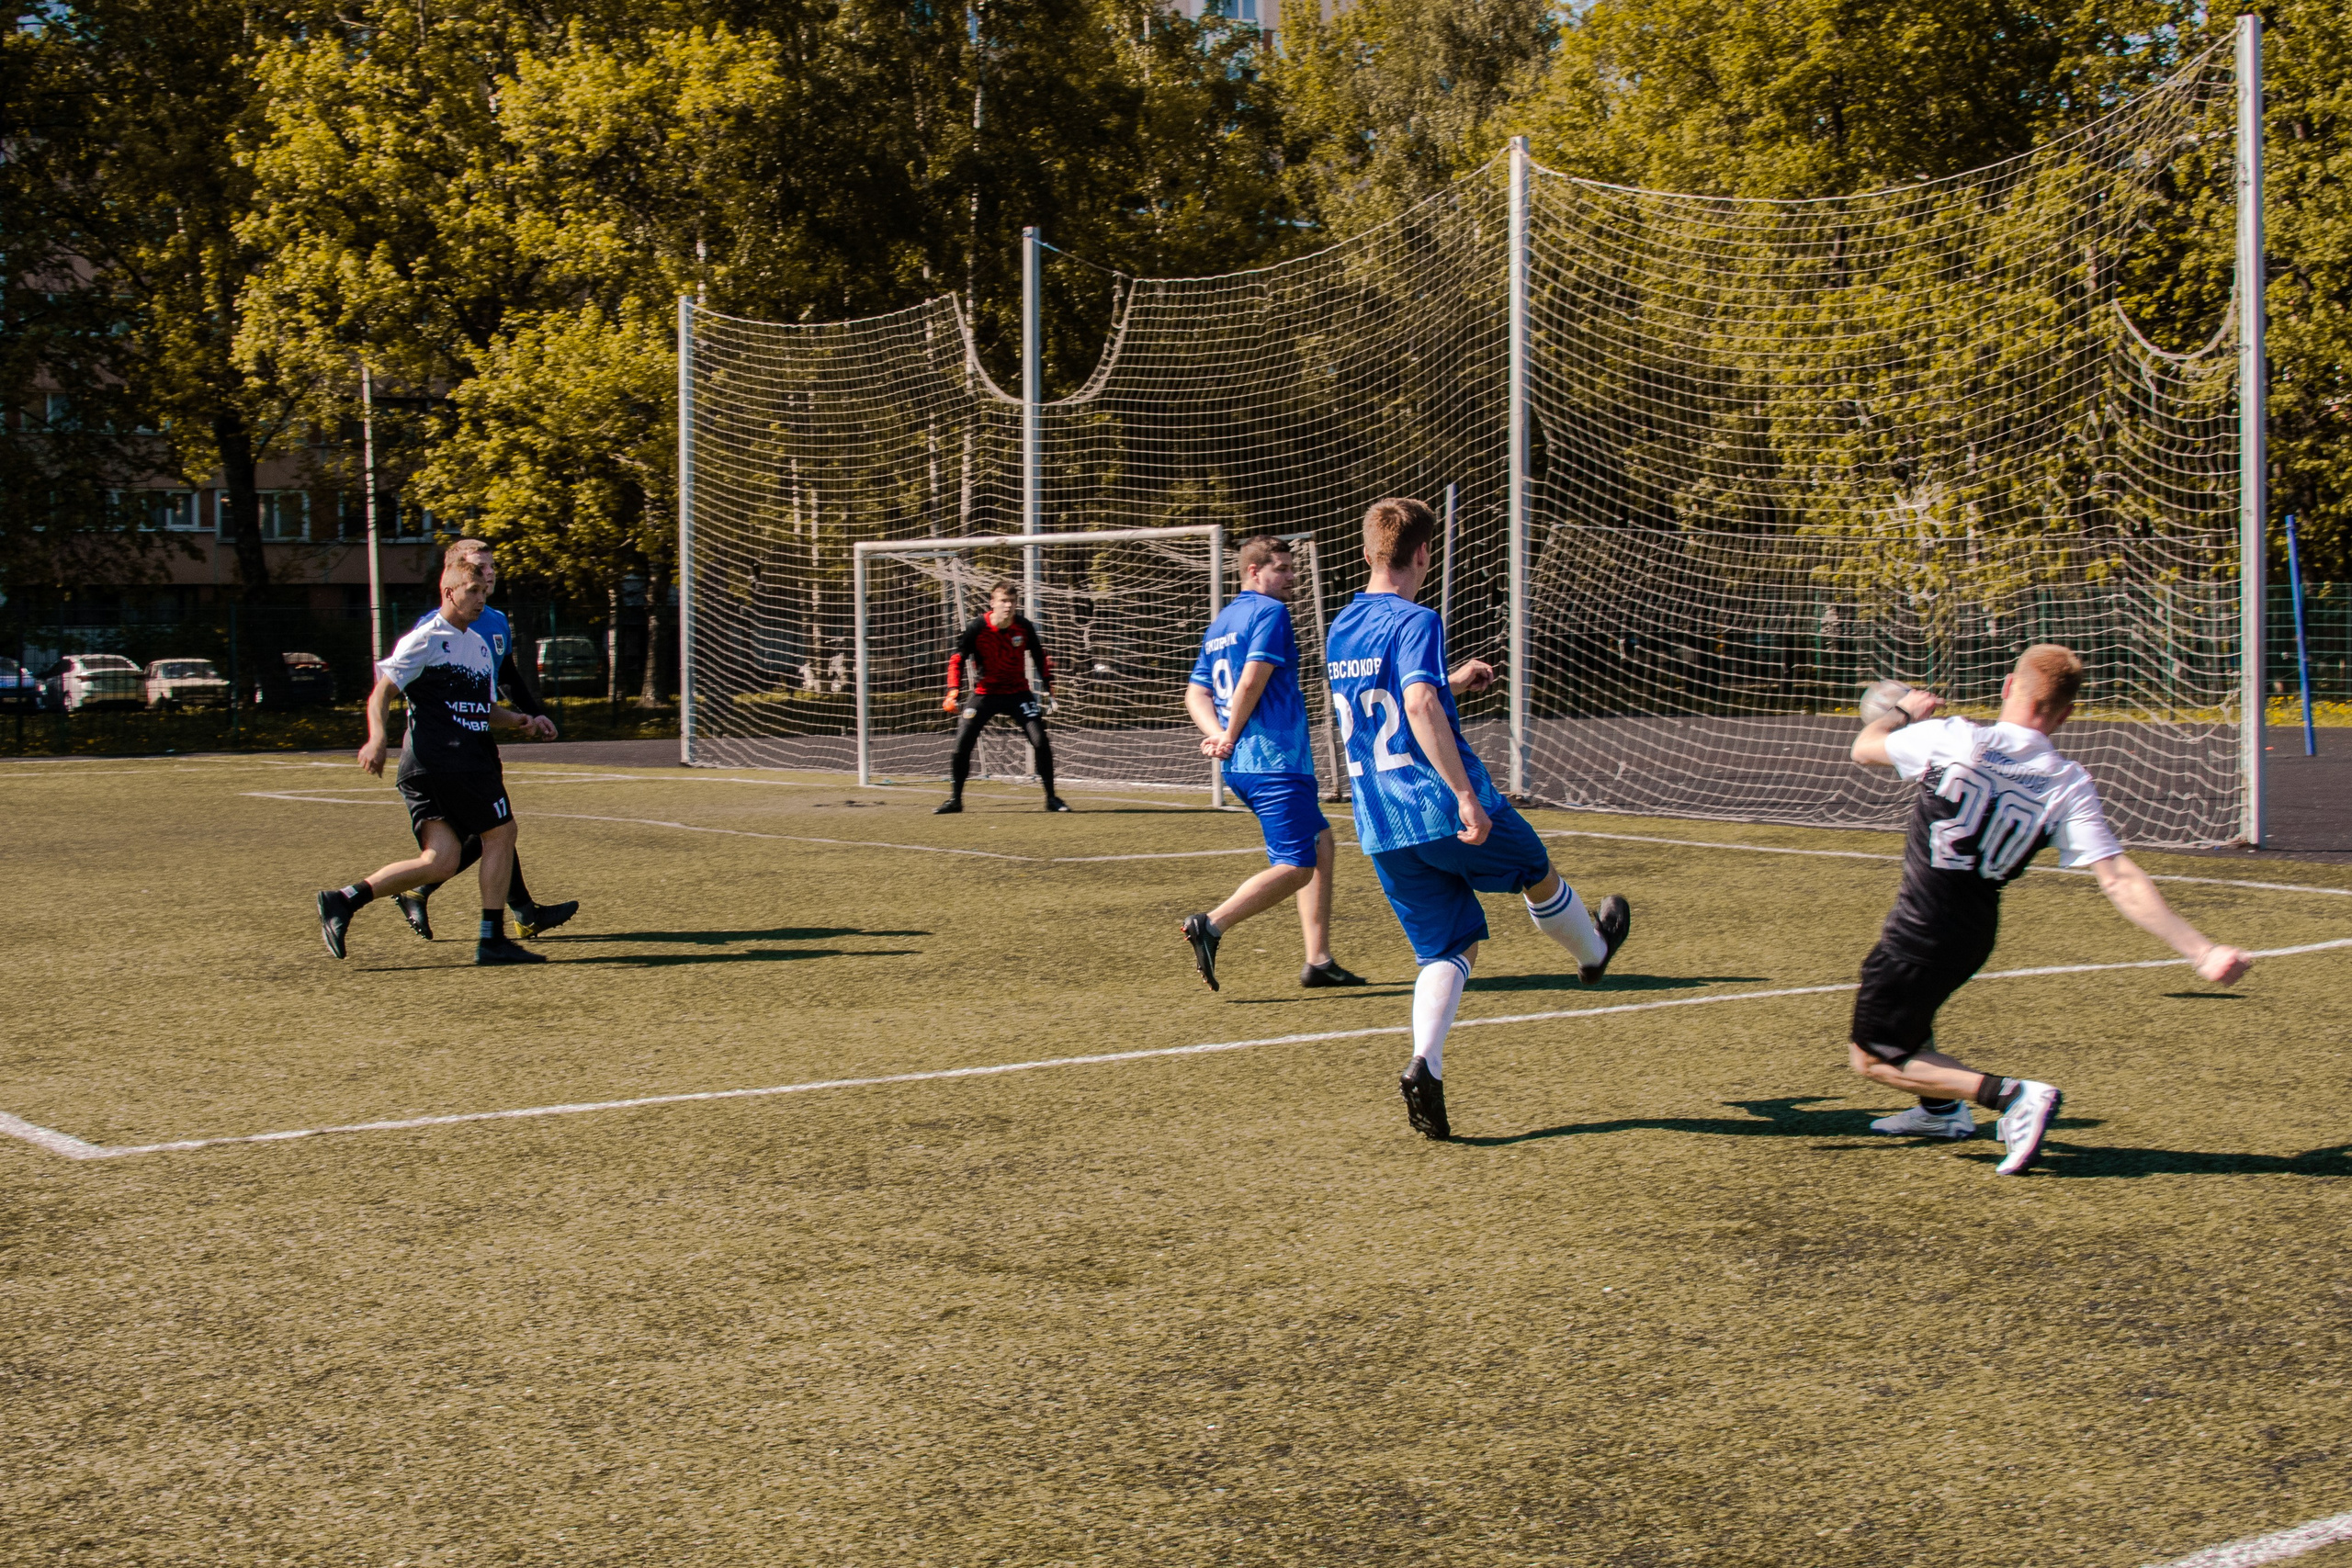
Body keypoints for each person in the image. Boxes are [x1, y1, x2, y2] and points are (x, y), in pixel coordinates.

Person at [1849, 646, 2254, 1174]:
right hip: (1974, 931)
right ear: (2064, 715)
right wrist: (2202, 950)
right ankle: (1940, 1110)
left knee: (1874, 1057)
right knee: (1912, 1010)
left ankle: (2010, 1097)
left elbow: (1865, 747)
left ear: (2006, 689)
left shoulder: (1954, 736)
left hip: (1920, 929)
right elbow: (2119, 879)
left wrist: (1904, 712)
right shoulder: (2067, 782)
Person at [1325, 498, 1631, 1140]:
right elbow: (1413, 703)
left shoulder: (1341, 625)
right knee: (1536, 868)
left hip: (1379, 819)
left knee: (1446, 946)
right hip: (1435, 802)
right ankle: (1594, 951)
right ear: (1423, 555)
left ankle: (1425, 1064)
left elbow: (1398, 697)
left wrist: (1451, 680)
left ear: (1365, 554)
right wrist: (1463, 793)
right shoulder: (1418, 618)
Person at [313, 555, 557, 966]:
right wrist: (376, 739)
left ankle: (342, 900)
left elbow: (480, 707)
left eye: (485, 592)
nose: (480, 600)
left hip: (437, 765)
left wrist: (518, 719)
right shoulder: (426, 638)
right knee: (500, 833)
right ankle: (491, 940)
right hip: (449, 759)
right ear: (449, 591)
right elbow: (381, 693)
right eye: (472, 591)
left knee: (440, 861)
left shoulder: (478, 646)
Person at [1178, 536, 1365, 992]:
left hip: (1245, 763)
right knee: (1298, 865)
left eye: (1291, 568)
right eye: (1281, 569)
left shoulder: (1223, 621)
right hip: (1273, 761)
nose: (1292, 577)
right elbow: (1252, 680)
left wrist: (1217, 735)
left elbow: (1196, 693)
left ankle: (1318, 960)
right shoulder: (1271, 613)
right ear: (1253, 572)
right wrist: (1228, 733)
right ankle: (1212, 924)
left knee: (1321, 841)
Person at [389, 539, 579, 942]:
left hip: (477, 741)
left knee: (492, 831)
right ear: (454, 575)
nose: (488, 574)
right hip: (440, 749)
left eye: (491, 566)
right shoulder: (432, 627)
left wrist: (533, 712)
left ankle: (514, 910)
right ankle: (503, 911)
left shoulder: (493, 620)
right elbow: (395, 686)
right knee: (491, 830)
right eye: (478, 567)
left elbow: (505, 675)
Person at [935, 580, 1069, 814]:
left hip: (1018, 693)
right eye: (1003, 601)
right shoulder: (978, 628)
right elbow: (957, 658)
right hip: (985, 694)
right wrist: (953, 690)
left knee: (1041, 742)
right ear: (992, 603)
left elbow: (1039, 655)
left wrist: (1049, 686)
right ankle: (955, 800)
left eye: (1012, 601)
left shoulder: (1023, 626)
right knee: (961, 745)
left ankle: (1052, 799)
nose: (1008, 606)